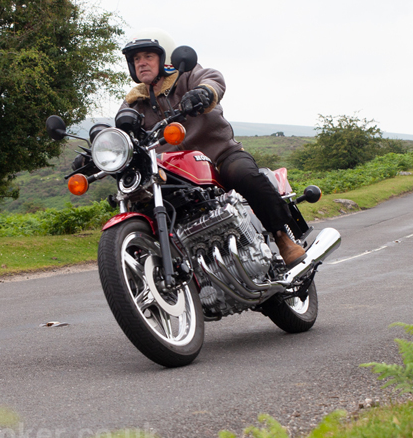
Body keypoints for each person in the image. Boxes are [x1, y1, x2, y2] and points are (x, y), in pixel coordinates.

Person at [118, 29, 306, 266]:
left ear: (164, 58)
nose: (141, 63)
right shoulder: (134, 102)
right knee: (142, 200)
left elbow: (213, 79)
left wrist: (204, 92)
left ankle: (282, 239)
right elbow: (118, 130)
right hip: (176, 171)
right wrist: (100, 148)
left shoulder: (187, 75)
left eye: (148, 56)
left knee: (245, 176)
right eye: (136, 59)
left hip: (218, 155)